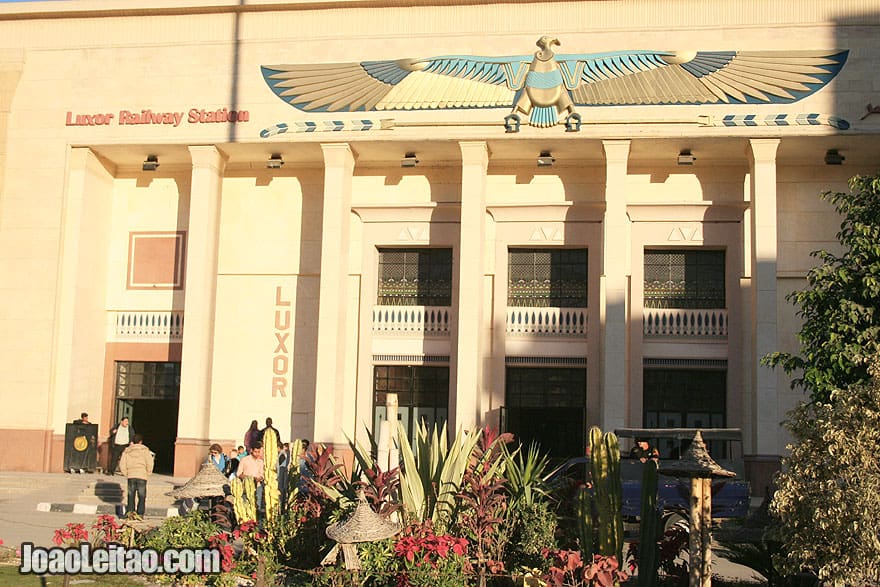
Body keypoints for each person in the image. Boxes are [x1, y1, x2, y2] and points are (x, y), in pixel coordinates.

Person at [119, 433, 154, 517]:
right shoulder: (145, 451)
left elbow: (122, 463)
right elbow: (150, 462)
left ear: (133, 441)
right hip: (142, 476)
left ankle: (130, 513)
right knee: (142, 496)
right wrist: (148, 472)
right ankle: (140, 513)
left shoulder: (127, 451)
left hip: (131, 475)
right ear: (141, 442)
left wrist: (126, 473)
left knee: (131, 495)